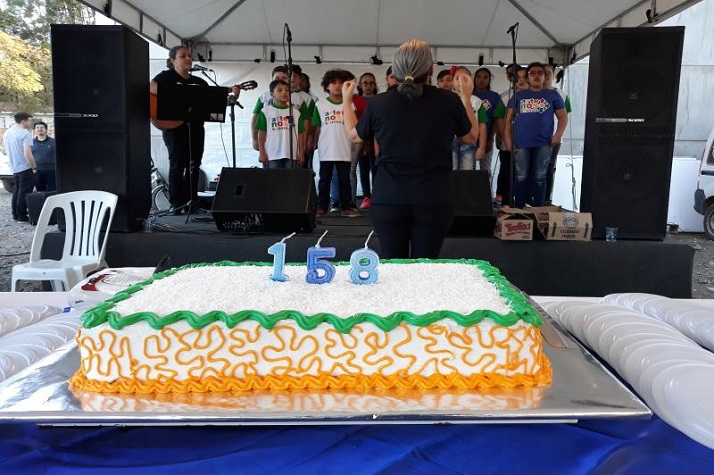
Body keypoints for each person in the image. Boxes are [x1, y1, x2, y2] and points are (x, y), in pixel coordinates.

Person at [342, 39, 480, 259]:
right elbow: (471, 137)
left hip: (389, 197)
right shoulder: (449, 101)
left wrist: (346, 101)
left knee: (392, 266)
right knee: (425, 267)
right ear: (430, 70)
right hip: (433, 198)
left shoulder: (378, 103)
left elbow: (354, 136)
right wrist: (465, 97)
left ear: (395, 70)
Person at [150, 45, 209, 214]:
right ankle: (176, 204)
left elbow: (213, 101)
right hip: (173, 128)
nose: (188, 59)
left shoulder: (199, 82)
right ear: (172, 61)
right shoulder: (165, 77)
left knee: (194, 165)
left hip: (196, 128)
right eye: (183, 56)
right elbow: (151, 88)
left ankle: (192, 201)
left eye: (189, 56)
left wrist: (230, 94)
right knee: (177, 164)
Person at [504, 62, 568, 208]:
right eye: (532, 73)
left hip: (544, 143)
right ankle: (519, 209)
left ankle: (538, 210)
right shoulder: (518, 96)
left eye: (540, 72)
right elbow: (508, 120)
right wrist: (508, 140)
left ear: (545, 76)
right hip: (521, 144)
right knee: (521, 177)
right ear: (527, 78)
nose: (537, 75)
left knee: (539, 177)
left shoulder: (553, 95)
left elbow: (563, 117)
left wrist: (558, 135)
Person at [313, 69, 360, 218]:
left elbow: (354, 126)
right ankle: (322, 207)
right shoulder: (320, 105)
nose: (337, 86)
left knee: (344, 180)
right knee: (324, 180)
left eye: (341, 82)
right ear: (326, 86)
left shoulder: (350, 106)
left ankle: (346, 208)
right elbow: (317, 127)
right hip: (326, 149)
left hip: (344, 148)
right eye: (333, 82)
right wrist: (314, 144)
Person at [255, 79, 305, 168]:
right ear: (272, 94)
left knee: (290, 180)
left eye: (287, 90)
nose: (284, 92)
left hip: (291, 154)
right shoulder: (265, 111)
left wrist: (301, 152)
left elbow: (300, 134)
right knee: (273, 180)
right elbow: (262, 134)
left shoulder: (296, 113)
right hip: (272, 155)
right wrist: (262, 153)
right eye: (279, 90)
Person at [543, 64, 572, 205]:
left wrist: (558, 135)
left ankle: (547, 198)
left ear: (553, 74)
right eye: (544, 73)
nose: (546, 75)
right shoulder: (530, 92)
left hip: (554, 138)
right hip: (535, 138)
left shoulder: (561, 94)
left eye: (549, 72)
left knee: (549, 167)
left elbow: (565, 117)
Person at [2, 112, 37, 222]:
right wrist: (34, 166)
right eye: (29, 120)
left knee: (17, 191)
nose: (30, 122)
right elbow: (27, 153)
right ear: (23, 121)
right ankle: (22, 215)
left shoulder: (8, 132)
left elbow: (5, 150)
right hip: (25, 167)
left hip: (14, 167)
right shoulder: (25, 134)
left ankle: (15, 214)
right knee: (25, 192)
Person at [472, 67, 506, 179]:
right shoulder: (468, 94)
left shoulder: (494, 97)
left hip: (486, 138)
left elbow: (497, 119)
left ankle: (486, 195)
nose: (482, 80)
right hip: (468, 139)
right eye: (479, 77)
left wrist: (490, 139)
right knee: (468, 170)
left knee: (485, 171)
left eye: (485, 77)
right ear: (474, 79)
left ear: (489, 80)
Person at [451, 66, 487, 170]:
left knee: (468, 173)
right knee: (450, 173)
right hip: (450, 142)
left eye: (464, 78)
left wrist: (482, 147)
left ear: (471, 81)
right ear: (453, 81)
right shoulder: (448, 99)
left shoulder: (477, 101)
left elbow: (482, 126)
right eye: (457, 78)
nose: (461, 82)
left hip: (470, 142)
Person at [356, 72, 378, 209]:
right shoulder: (356, 101)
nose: (368, 86)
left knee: (376, 168)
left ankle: (376, 196)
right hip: (361, 138)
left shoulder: (379, 100)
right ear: (360, 85)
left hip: (377, 139)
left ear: (374, 85)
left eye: (371, 83)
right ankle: (366, 196)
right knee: (363, 169)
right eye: (365, 83)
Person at [31, 121, 56, 192]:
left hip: (52, 170)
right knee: (40, 191)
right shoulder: (31, 142)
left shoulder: (53, 142)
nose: (39, 129)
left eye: (42, 127)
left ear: (46, 130)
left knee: (52, 191)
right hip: (37, 171)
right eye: (37, 128)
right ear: (34, 130)